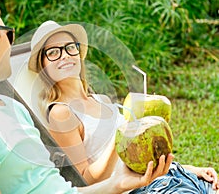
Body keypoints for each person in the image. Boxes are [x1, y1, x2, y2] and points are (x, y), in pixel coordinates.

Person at [0, 0, 174, 194]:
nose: (10, 44)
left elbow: (60, 190)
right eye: (9, 34)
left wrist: (117, 184)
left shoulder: (14, 108)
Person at [27, 20, 219, 193]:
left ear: (79, 53)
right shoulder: (61, 113)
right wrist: (120, 135)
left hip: (168, 177)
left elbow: (136, 157)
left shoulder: (101, 99)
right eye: (53, 52)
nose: (65, 56)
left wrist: (189, 170)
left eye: (70, 47)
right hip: (140, 189)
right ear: (42, 65)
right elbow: (85, 179)